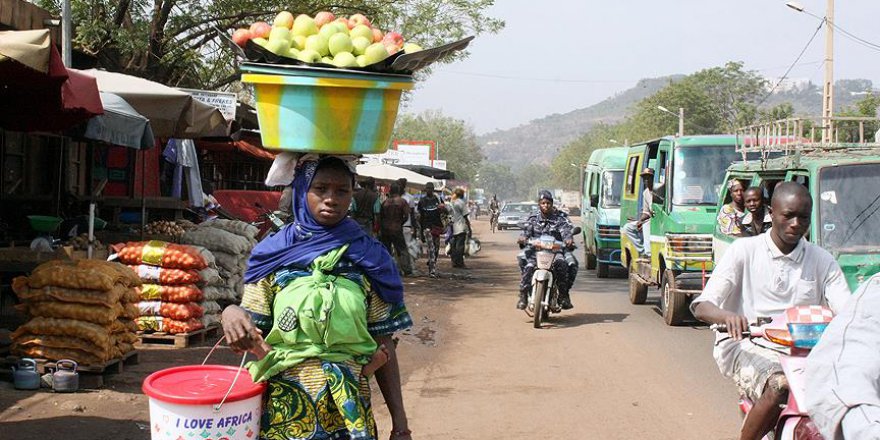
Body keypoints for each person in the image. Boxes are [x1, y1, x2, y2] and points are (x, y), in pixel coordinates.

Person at [221, 156, 413, 440]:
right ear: (302, 189)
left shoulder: (369, 258)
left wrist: (400, 425)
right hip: (284, 417)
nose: (331, 199)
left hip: (349, 418)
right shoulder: (274, 255)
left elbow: (384, 343)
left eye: (341, 191)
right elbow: (252, 328)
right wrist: (231, 313)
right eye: (320, 189)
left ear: (352, 195)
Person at [691, 182, 851, 440]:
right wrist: (727, 317)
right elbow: (703, 305)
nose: (796, 223)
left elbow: (846, 309)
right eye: (788, 215)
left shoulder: (822, 260)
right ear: (772, 213)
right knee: (780, 385)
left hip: (807, 350)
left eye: (803, 217)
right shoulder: (744, 251)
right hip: (748, 344)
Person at [805, 273, 880, 440]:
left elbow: (841, 299)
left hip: (823, 328)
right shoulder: (875, 297)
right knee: (776, 387)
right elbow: (847, 371)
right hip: (771, 337)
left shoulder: (820, 257)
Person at [516, 190, 576, 310]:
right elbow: (526, 231)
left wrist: (568, 239)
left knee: (566, 264)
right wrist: (523, 238)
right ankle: (523, 295)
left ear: (552, 204)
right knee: (526, 263)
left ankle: (563, 296)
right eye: (543, 203)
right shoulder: (533, 218)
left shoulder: (560, 218)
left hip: (555, 251)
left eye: (548, 203)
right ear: (539, 204)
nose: (546, 205)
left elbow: (566, 231)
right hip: (536, 251)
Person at [380, 182, 414, 276]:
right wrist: (400, 223)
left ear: (390, 191)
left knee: (387, 250)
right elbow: (407, 216)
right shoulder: (402, 201)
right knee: (402, 250)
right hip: (397, 228)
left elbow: (381, 216)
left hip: (385, 229)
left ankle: (387, 269)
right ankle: (407, 270)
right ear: (399, 191)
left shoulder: (385, 202)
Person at [621, 168, 655, 257]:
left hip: (658, 220)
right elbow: (646, 212)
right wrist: (639, 220)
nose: (646, 180)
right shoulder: (645, 193)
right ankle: (642, 251)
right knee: (628, 227)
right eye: (645, 178)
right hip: (649, 219)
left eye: (649, 178)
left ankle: (649, 254)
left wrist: (644, 221)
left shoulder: (659, 191)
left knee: (646, 225)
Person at [416, 182, 445, 277]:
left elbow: (444, 212)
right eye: (427, 188)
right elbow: (420, 218)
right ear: (426, 189)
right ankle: (432, 270)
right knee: (431, 248)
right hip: (427, 228)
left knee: (436, 248)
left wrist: (442, 208)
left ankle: (432, 261)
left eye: (430, 188)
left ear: (433, 189)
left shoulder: (438, 199)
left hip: (436, 227)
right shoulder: (422, 201)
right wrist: (420, 232)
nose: (429, 190)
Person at [449, 188, 471, 269]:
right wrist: (469, 227)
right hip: (461, 226)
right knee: (460, 246)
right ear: (462, 195)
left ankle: (454, 262)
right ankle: (460, 263)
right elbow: (465, 216)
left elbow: (450, 216)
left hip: (453, 227)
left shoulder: (452, 203)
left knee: (454, 246)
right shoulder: (461, 203)